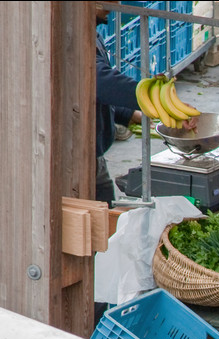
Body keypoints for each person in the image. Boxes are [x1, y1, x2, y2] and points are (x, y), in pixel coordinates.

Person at [94, 7, 143, 204]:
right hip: (77, 156)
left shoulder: (94, 35)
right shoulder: (74, 38)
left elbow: (99, 96)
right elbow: (100, 81)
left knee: (105, 206)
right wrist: (154, 99)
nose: (112, 7)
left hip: (96, 153)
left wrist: (129, 113)